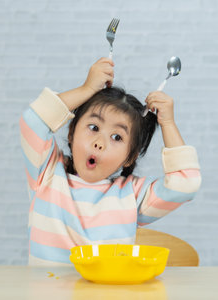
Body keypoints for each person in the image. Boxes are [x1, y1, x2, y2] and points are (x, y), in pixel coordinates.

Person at [20, 57, 201, 266]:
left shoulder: (132, 195)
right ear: (71, 132)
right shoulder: (48, 173)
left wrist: (168, 123)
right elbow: (33, 120)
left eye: (117, 137)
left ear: (129, 157)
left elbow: (186, 184)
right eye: (94, 127)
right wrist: (86, 89)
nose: (99, 143)